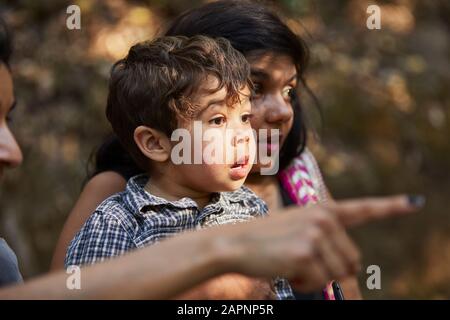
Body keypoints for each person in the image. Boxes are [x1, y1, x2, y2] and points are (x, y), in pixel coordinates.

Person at [0, 14, 424, 299]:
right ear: (156, 138)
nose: (280, 111)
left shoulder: (291, 181)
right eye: (255, 90)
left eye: (289, 90)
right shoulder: (117, 210)